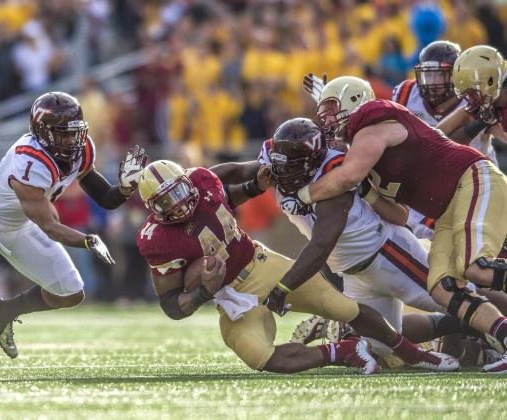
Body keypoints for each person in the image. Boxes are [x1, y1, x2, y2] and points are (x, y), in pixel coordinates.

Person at [270, 75, 507, 373]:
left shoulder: (372, 124)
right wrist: (368, 194)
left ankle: (476, 339)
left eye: (330, 108)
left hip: (470, 182)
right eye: (322, 111)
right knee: (445, 289)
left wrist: (302, 195)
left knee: (475, 270)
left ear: (353, 102)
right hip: (441, 210)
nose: (325, 118)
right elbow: (401, 215)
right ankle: (495, 334)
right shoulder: (361, 150)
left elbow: (347, 178)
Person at [136, 160, 456, 375]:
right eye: (166, 201)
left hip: (261, 264)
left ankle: (416, 355)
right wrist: (205, 289)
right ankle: (342, 350)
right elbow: (171, 307)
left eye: (178, 191)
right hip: (230, 297)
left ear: (187, 182)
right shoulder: (159, 239)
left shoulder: (203, 182)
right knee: (257, 355)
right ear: (152, 210)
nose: (177, 203)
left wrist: (255, 184)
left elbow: (224, 196)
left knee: (342, 306)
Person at [0, 92, 147, 376]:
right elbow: (50, 226)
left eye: (74, 133)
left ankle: (6, 311)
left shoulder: (82, 150)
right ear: (41, 131)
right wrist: (88, 240)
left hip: (20, 224)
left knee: (71, 293)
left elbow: (106, 199)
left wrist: (125, 187)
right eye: (61, 134)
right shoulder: (29, 159)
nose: (71, 141)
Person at [255, 118, 463, 362]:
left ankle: (488, 328)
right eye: (282, 164)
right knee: (380, 344)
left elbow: (322, 245)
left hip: (385, 253)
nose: (284, 172)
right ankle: (462, 329)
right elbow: (235, 173)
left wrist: (282, 288)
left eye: (293, 165)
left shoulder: (335, 174)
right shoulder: (275, 169)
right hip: (354, 272)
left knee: (461, 302)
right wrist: (205, 180)